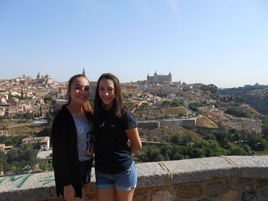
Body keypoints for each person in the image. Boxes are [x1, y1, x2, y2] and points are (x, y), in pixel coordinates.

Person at [92, 73, 142, 201]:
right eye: (102, 89)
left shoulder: (125, 115)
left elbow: (137, 145)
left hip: (123, 171)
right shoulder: (96, 114)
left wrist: (121, 156)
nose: (106, 93)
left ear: (117, 91)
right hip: (102, 171)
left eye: (110, 89)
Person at [52, 74, 94, 201]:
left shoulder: (88, 113)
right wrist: (67, 183)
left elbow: (93, 136)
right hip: (72, 170)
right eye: (78, 88)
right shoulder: (62, 118)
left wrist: (93, 145)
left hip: (86, 167)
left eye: (86, 88)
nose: (82, 92)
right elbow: (59, 154)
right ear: (69, 90)